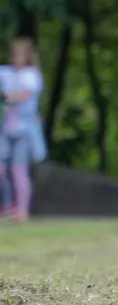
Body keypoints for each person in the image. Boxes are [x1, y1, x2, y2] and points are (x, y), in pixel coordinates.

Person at [0, 37, 46, 222]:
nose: (16, 58)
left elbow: (22, 96)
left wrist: (4, 98)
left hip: (24, 131)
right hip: (6, 129)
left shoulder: (31, 75)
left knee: (19, 171)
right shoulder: (7, 73)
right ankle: (7, 205)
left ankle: (22, 211)